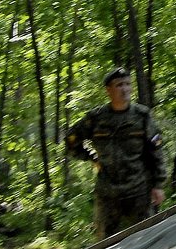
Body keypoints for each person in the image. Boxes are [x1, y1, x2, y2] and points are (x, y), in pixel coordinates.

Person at [65, 68, 167, 240]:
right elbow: (71, 140)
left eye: (128, 84)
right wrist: (91, 157)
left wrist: (158, 185)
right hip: (107, 193)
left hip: (138, 190)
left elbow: (156, 150)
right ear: (108, 90)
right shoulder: (97, 118)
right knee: (107, 241)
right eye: (119, 85)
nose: (125, 89)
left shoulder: (142, 116)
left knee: (147, 239)